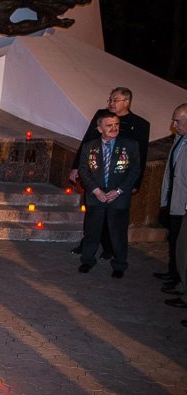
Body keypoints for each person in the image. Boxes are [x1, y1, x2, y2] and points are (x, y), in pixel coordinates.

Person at [70, 87, 150, 257]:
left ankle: (109, 248)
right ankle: (87, 246)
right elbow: (88, 140)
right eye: (110, 100)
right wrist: (76, 166)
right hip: (96, 175)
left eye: (115, 100)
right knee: (92, 216)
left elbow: (140, 157)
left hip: (120, 180)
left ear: (126, 102)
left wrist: (135, 183)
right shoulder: (101, 115)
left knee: (114, 218)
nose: (111, 103)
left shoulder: (140, 125)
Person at [77, 110, 140, 278]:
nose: (114, 128)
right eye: (109, 125)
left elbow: (134, 172)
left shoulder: (130, 145)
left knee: (118, 233)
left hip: (118, 198)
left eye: (116, 125)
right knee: (92, 231)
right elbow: (83, 171)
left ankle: (119, 264)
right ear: (99, 129)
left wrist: (119, 191)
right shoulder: (89, 147)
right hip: (95, 196)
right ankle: (87, 260)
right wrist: (95, 190)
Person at [160, 104, 187, 308]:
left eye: (177, 120)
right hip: (175, 201)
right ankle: (177, 278)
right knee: (176, 244)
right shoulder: (180, 140)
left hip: (184, 205)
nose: (173, 124)